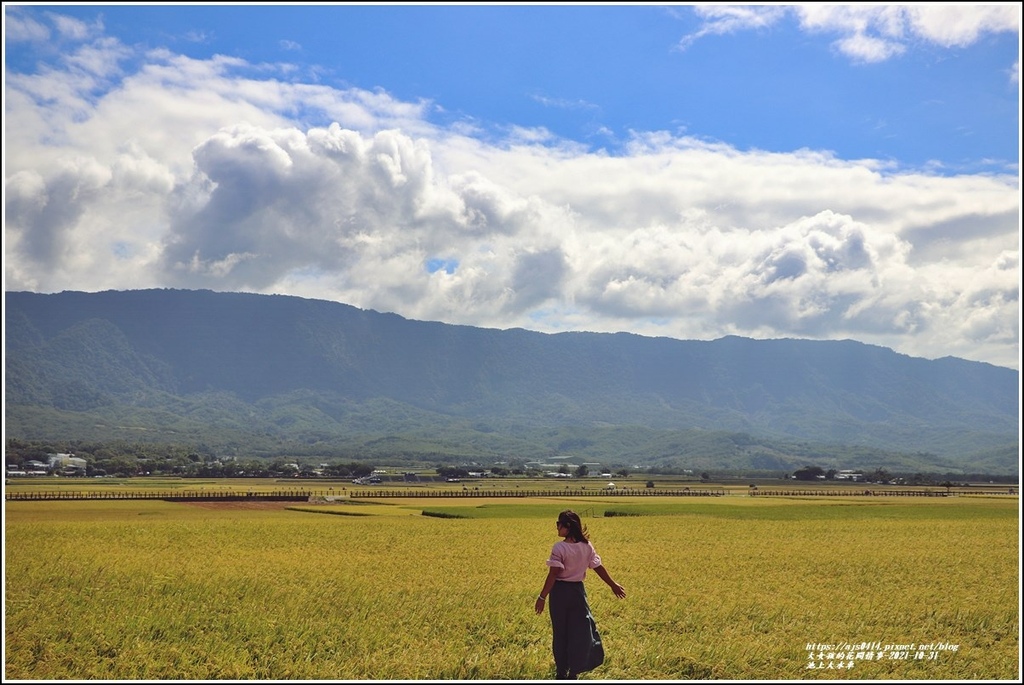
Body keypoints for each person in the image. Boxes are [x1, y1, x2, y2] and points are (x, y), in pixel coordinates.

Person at [535, 510, 626, 680]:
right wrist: (613, 585)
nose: (557, 527)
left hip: (560, 594)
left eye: (558, 524)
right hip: (578, 593)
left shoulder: (560, 547)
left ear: (567, 527)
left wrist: (542, 597)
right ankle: (574, 672)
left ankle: (561, 672)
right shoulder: (587, 546)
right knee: (579, 632)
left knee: (561, 633)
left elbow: (553, 574)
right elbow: (598, 567)